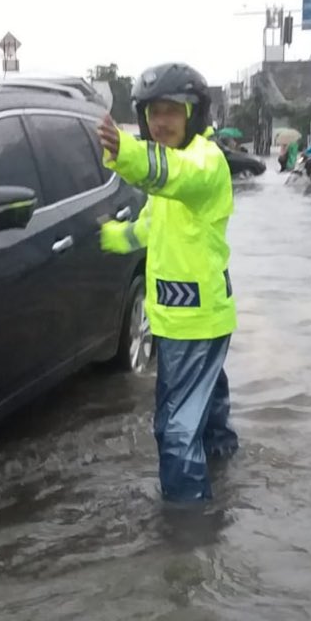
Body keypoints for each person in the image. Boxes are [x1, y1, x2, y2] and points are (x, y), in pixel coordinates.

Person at [97, 63, 238, 503]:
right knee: (208, 419)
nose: (161, 122)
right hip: (194, 318)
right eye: (153, 113)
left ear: (193, 115)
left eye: (172, 112)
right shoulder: (172, 181)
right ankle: (228, 479)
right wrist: (104, 236)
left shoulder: (204, 162)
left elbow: (170, 173)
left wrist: (125, 153)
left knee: (174, 433)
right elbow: (147, 229)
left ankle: (187, 535)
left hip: (192, 323)